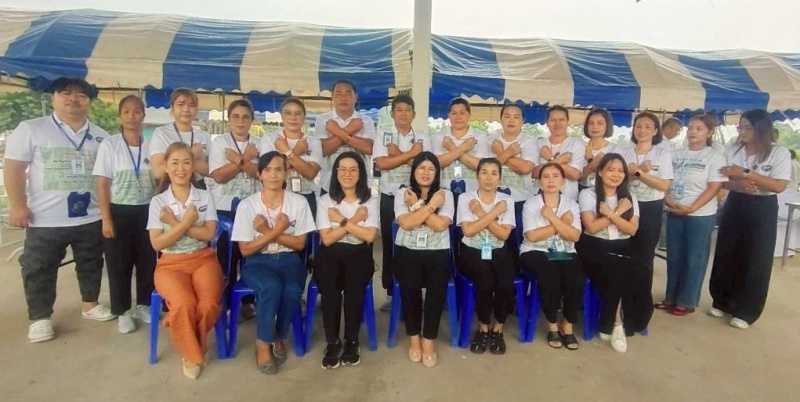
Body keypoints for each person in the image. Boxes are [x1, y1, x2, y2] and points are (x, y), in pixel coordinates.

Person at [5, 77, 114, 344]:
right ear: (52, 98)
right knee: (39, 267)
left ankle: (90, 304)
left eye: (81, 95)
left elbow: (106, 178)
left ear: (89, 102)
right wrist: (18, 205)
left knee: (91, 263)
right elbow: (14, 168)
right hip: (45, 218)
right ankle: (40, 318)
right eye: (66, 93)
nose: (73, 99)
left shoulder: (101, 136)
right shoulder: (32, 129)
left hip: (90, 215)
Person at [231, 151, 316, 374]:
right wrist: (278, 230)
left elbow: (299, 244)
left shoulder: (298, 202)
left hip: (289, 258)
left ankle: (275, 335)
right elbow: (246, 249)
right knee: (271, 286)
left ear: (286, 173)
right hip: (257, 261)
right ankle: (263, 344)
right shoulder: (247, 206)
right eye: (267, 170)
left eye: (279, 169)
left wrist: (265, 231)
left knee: (292, 290)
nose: (273, 175)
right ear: (259, 174)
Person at [147, 142, 221, 380]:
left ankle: (188, 339)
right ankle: (194, 354)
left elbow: (208, 234)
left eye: (186, 162)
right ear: (166, 167)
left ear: (193, 167)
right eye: (175, 163)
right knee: (184, 303)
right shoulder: (158, 202)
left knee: (208, 304)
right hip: (170, 264)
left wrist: (174, 223)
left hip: (203, 259)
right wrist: (187, 222)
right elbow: (157, 244)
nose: (181, 168)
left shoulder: (204, 196)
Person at [710, 109, 790, 329]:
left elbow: (778, 185)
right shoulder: (733, 149)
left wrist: (746, 173)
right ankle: (721, 300)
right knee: (727, 251)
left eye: (748, 127)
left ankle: (747, 310)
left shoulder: (778, 153)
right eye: (740, 127)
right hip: (736, 202)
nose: (742, 131)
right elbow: (722, 181)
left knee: (756, 257)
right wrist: (740, 183)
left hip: (762, 207)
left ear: (761, 129)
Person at [93, 94, 158, 333]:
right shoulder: (110, 145)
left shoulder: (151, 145)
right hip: (118, 211)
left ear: (143, 115)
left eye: (137, 111)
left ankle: (143, 305)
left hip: (147, 211)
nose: (132, 116)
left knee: (147, 260)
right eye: (126, 112)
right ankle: (122, 311)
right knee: (119, 263)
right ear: (120, 116)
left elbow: (159, 178)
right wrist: (106, 218)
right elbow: (102, 184)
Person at [576, 153, 652, 353]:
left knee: (641, 271)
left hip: (623, 246)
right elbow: (591, 227)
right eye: (611, 169)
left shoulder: (630, 197)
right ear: (600, 172)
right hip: (594, 247)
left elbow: (632, 230)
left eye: (620, 171)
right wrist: (618, 212)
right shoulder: (588, 194)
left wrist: (610, 213)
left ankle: (626, 320)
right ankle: (616, 324)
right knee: (617, 271)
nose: (616, 174)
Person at [657, 115, 727, 316]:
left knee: (694, 258)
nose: (693, 132)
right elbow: (664, 180)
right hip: (674, 210)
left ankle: (687, 300)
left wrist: (692, 207)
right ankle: (670, 297)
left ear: (709, 133)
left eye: (699, 128)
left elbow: (714, 187)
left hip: (700, 214)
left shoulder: (714, 157)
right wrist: (668, 200)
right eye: (690, 128)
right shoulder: (676, 154)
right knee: (674, 256)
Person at [315, 151, 379, 369]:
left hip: (359, 254)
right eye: (342, 169)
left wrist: (341, 220)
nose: (347, 174)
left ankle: (352, 341)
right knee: (330, 289)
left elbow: (369, 236)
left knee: (353, 289)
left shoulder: (370, 201)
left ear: (360, 174)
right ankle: (332, 342)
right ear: (335, 173)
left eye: (353, 169)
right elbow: (326, 239)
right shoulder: (325, 201)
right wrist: (355, 221)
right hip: (330, 255)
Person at [394, 151, 454, 368]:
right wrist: (429, 206)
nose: (426, 173)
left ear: (437, 173)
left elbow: (440, 225)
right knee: (409, 289)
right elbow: (406, 223)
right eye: (421, 168)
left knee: (436, 292)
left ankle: (429, 340)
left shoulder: (445, 195)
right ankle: (414, 338)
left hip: (438, 252)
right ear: (414, 171)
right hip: (407, 250)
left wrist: (416, 207)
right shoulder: (403, 193)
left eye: (431, 169)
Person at [372, 94, 431, 311]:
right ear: (392, 113)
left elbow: (424, 165)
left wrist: (397, 154)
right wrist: (412, 154)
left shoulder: (422, 136)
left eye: (408, 110)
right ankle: (391, 292)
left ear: (414, 114)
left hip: (417, 198)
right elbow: (381, 164)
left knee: (418, 243)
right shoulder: (383, 133)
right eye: (399, 110)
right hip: (389, 197)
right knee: (390, 244)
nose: (403, 114)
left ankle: (417, 289)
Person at [520, 163, 582, 350]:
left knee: (575, 275)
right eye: (546, 176)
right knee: (550, 273)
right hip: (534, 251)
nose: (551, 180)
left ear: (563, 181)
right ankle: (552, 324)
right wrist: (562, 223)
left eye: (555, 176)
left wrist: (552, 218)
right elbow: (532, 236)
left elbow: (574, 236)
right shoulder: (531, 203)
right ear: (539, 181)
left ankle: (568, 324)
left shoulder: (571, 204)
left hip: (566, 250)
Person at [209, 99, 261, 321]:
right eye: (236, 116)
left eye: (245, 117)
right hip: (225, 210)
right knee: (227, 260)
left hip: (253, 210)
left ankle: (248, 302)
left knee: (250, 257)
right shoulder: (220, 143)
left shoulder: (259, 143)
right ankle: (227, 304)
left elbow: (260, 174)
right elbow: (219, 176)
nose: (241, 121)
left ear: (252, 120)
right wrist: (246, 160)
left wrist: (238, 160)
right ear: (229, 119)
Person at [457, 158, 516, 355]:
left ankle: (498, 328)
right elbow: (468, 231)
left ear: (499, 177)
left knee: (506, 282)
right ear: (477, 176)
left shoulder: (506, 200)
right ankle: (483, 327)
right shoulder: (466, 198)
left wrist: (480, 213)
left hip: (498, 249)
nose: (489, 178)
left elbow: (503, 235)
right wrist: (494, 213)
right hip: (471, 250)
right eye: (484, 172)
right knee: (485, 281)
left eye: (494, 173)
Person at [621, 113, 673, 292]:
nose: (642, 130)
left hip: (651, 207)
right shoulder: (624, 153)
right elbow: (618, 180)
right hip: (626, 206)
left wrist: (639, 173)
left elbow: (664, 185)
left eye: (647, 127)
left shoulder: (662, 154)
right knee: (625, 253)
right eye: (638, 126)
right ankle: (624, 296)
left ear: (656, 131)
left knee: (645, 256)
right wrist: (636, 172)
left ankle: (641, 299)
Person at [488, 104, 537, 265]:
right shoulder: (491, 140)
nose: (511, 120)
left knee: (516, 241)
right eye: (507, 116)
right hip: (493, 200)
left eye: (516, 117)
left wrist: (500, 153)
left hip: (520, 200)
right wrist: (509, 152)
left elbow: (526, 168)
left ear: (523, 121)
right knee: (495, 241)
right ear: (501, 119)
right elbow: (486, 168)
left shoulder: (529, 141)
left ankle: (518, 273)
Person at [261, 97, 322, 217]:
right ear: (281, 116)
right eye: (288, 113)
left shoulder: (313, 141)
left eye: (298, 113)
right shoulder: (270, 139)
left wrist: (286, 151)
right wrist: (296, 151)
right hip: (276, 195)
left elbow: (310, 173)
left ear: (304, 117)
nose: (293, 118)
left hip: (306, 196)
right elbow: (270, 172)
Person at [314, 80, 375, 196]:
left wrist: (336, 131)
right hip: (329, 184)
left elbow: (369, 148)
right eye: (339, 94)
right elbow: (322, 150)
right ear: (332, 97)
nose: (343, 98)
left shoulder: (366, 121)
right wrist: (350, 130)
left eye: (348, 93)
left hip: (360, 184)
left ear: (356, 97)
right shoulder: (322, 119)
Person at [432, 98, 490, 205]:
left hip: (472, 193)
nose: (458, 117)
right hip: (444, 193)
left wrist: (451, 148)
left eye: (462, 113)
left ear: (469, 115)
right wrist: (464, 147)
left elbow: (480, 166)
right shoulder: (440, 136)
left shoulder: (479, 136)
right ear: (448, 115)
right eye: (454, 113)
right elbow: (436, 163)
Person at [149, 88, 210, 184]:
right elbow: (158, 173)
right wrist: (193, 155)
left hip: (197, 187)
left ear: (196, 109)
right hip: (169, 187)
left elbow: (211, 171)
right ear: (172, 107)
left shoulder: (203, 135)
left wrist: (176, 161)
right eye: (181, 104)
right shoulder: (161, 134)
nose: (186, 109)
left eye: (191, 105)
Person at [532, 106, 586, 201]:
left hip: (568, 198)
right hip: (539, 197)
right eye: (553, 120)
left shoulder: (576, 144)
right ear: (547, 122)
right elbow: (534, 173)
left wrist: (550, 159)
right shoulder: (538, 144)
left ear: (568, 121)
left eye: (561, 120)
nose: (557, 123)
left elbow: (575, 175)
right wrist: (560, 161)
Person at [580, 109, 621, 191]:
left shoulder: (614, 149)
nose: (595, 127)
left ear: (607, 126)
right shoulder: (580, 147)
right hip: (581, 190)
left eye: (600, 123)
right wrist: (595, 163)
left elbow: (612, 176)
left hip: (605, 191)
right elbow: (577, 176)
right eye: (591, 123)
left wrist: (590, 159)